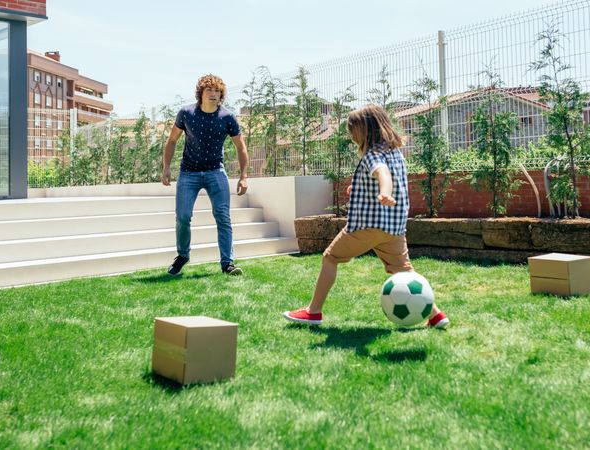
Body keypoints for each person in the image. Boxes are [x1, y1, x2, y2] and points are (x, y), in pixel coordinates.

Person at [282, 104, 449, 328]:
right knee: (404, 271)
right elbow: (383, 175)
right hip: (394, 229)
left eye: (353, 130)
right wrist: (359, 188)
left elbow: (383, 173)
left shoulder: (373, 155)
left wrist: (384, 192)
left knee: (330, 257)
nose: (351, 136)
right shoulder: (396, 153)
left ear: (365, 130)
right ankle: (435, 316)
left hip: (367, 226)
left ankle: (313, 312)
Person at [161, 74, 249, 276]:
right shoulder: (186, 113)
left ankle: (228, 264)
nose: (213, 94)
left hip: (215, 172)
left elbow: (241, 148)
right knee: (183, 217)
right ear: (200, 93)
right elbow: (172, 140)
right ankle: (183, 256)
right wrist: (166, 167)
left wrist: (244, 176)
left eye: (217, 91)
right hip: (188, 173)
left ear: (221, 96)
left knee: (223, 217)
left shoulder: (227, 117)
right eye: (209, 90)